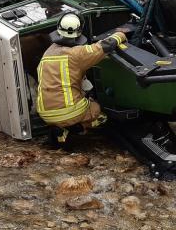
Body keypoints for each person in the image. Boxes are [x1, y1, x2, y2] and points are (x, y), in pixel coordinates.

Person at [36, 12, 127, 146]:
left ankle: (61, 130)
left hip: (44, 113)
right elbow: (105, 46)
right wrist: (121, 34)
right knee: (99, 113)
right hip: (69, 112)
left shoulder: (48, 53)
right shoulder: (77, 54)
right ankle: (78, 127)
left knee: (77, 97)